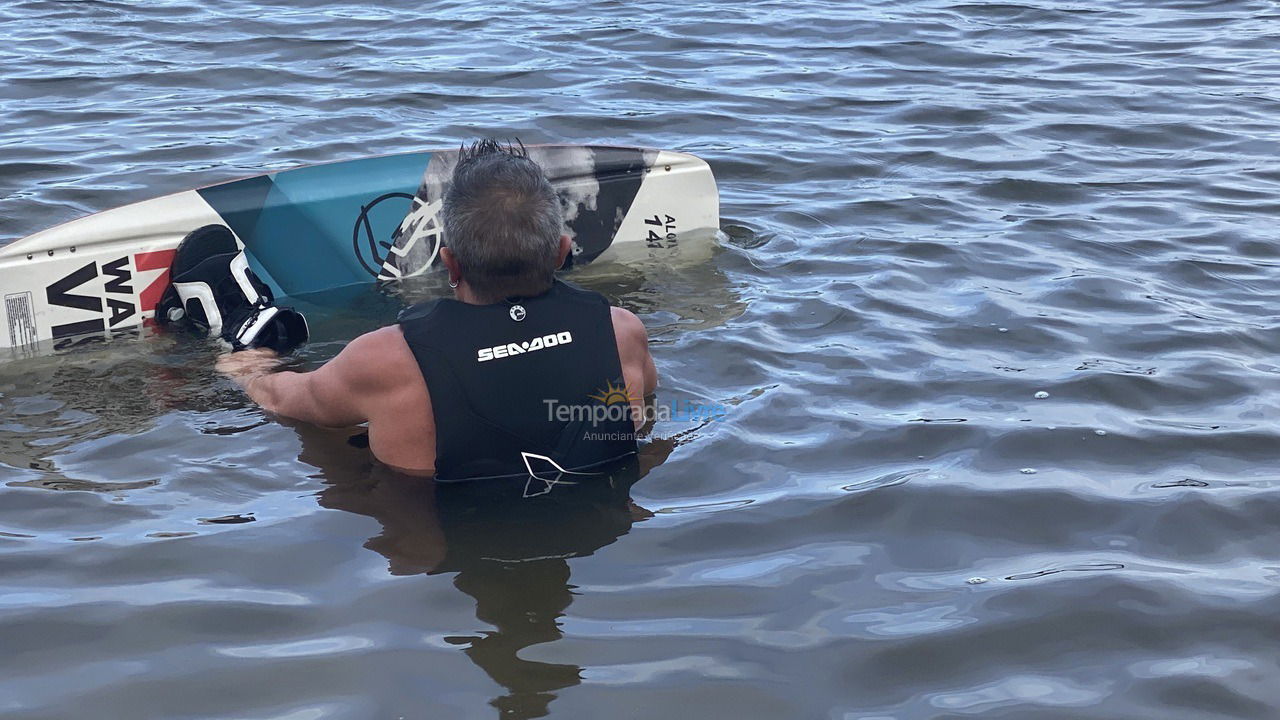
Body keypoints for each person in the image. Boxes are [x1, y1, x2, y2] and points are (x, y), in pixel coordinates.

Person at [209, 139, 658, 480]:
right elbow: (643, 418)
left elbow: (283, 401)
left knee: (336, 451)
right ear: (562, 252)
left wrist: (249, 369)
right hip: (595, 523)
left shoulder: (385, 360)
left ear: (449, 262)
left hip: (435, 534)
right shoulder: (622, 332)